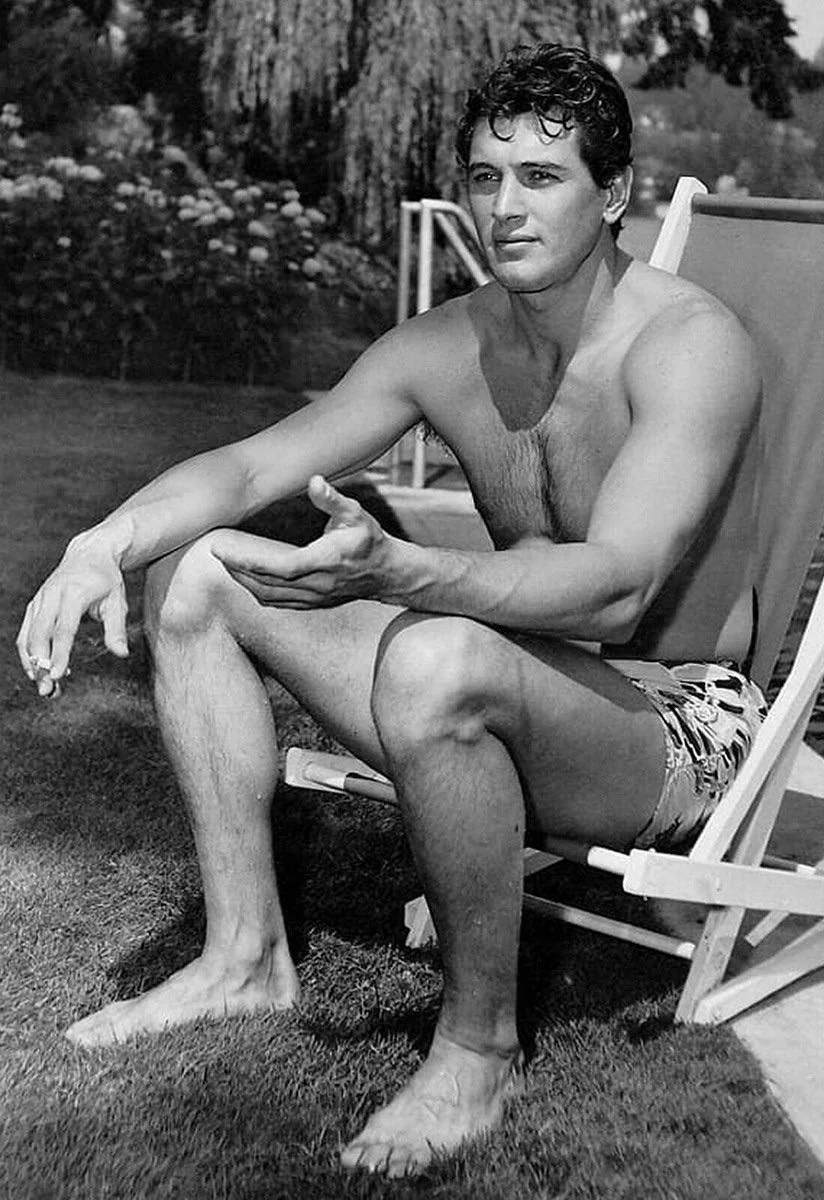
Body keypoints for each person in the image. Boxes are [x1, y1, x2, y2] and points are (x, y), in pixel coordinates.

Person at [17, 43, 765, 1177]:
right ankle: (243, 956)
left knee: (434, 660)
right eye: (483, 176)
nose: (504, 207)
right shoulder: (446, 344)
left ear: (611, 195)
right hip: (520, 665)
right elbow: (246, 469)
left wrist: (405, 576)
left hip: (680, 721)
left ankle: (477, 1046)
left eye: (540, 177)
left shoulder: (688, 346)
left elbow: (617, 583)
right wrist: (103, 540)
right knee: (195, 569)